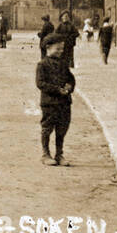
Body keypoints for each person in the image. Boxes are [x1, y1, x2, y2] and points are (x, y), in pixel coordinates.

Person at [37, 32, 75, 167]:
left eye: (62, 48)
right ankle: (45, 154)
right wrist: (57, 89)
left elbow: (71, 78)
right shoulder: (42, 65)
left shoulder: (63, 63)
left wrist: (69, 87)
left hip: (64, 102)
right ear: (48, 48)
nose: (60, 51)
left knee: (62, 128)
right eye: (57, 48)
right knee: (47, 128)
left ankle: (59, 154)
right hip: (50, 103)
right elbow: (40, 83)